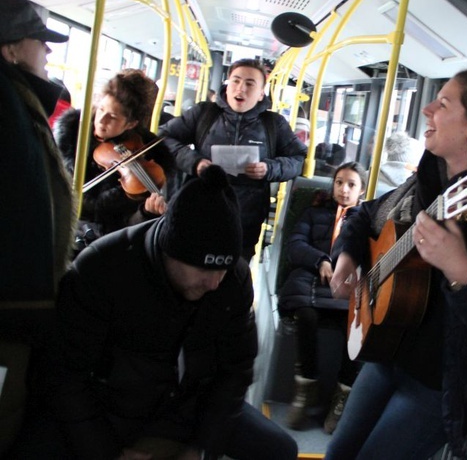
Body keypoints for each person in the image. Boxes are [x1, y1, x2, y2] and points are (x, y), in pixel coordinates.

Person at [326, 66, 467, 458]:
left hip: (440, 383)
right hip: (386, 353)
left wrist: (461, 270)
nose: (426, 109)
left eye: (442, 103)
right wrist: (347, 256)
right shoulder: (427, 181)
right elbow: (365, 214)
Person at [16, 165, 297, 460]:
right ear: (170, 251)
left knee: (281, 450)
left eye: (223, 270)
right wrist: (107, 453)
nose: (214, 283)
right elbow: (65, 376)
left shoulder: (233, 280)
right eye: (204, 269)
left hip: (189, 404)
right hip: (110, 405)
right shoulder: (102, 268)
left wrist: (202, 449)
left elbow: (235, 372)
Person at [0, 0, 75, 455]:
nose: (47, 52)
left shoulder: (19, 99)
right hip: (9, 302)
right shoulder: (8, 105)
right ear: (9, 48)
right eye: (39, 41)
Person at [159, 58, 308, 260]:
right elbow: (162, 138)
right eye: (235, 81)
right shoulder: (204, 114)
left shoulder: (274, 125)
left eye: (249, 84)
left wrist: (269, 168)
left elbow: (298, 160)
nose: (241, 89)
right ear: (227, 86)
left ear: (261, 93)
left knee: (232, 276)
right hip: (197, 211)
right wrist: (194, 162)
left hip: (245, 220)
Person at [277, 161, 367, 433]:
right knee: (306, 315)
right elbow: (296, 245)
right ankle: (306, 384)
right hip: (311, 279)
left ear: (361, 191)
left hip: (346, 284)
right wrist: (320, 261)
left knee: (357, 328)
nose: (343, 189)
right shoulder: (314, 212)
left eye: (351, 184)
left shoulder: (365, 220)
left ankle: (343, 396)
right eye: (339, 182)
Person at [54, 68, 177, 248]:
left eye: (112, 117)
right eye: (101, 109)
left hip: (102, 244)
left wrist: (145, 213)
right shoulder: (72, 134)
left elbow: (127, 228)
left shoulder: (150, 160)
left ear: (131, 124)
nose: (101, 120)